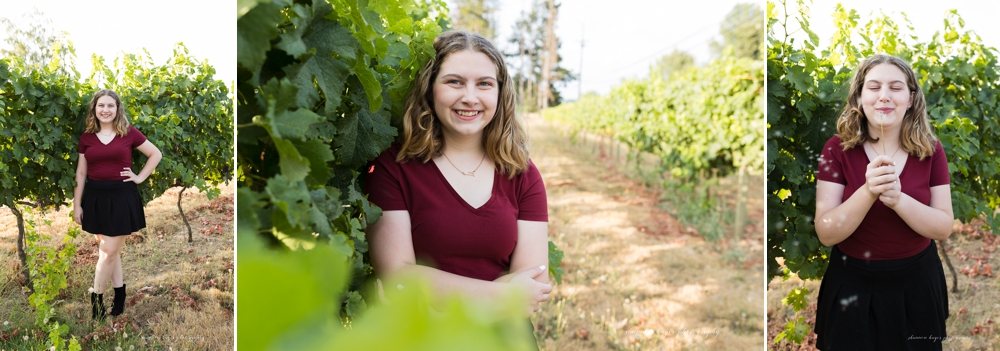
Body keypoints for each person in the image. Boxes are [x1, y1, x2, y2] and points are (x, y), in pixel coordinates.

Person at [365, 30, 551, 344]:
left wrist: (435, 303)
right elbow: (397, 277)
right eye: (454, 81)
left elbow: (533, 285)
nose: (470, 97)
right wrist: (503, 297)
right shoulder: (392, 168)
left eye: (484, 84)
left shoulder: (523, 174)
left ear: (499, 93)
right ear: (430, 89)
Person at [813, 54, 953, 350]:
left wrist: (898, 200)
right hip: (852, 285)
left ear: (911, 98)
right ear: (860, 97)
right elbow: (826, 233)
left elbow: (943, 228)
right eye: (874, 87)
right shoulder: (836, 150)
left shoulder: (931, 150)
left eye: (896, 87)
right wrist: (868, 191)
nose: (884, 96)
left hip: (916, 284)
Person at [73, 89, 162, 321]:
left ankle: (97, 304)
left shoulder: (128, 133)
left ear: (117, 108)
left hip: (122, 197)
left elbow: (155, 154)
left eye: (110, 106)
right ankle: (120, 299)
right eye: (101, 105)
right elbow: (81, 173)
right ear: (94, 109)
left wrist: (140, 177)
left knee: (107, 252)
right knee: (111, 253)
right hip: (95, 198)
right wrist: (77, 205)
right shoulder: (87, 137)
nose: (105, 110)